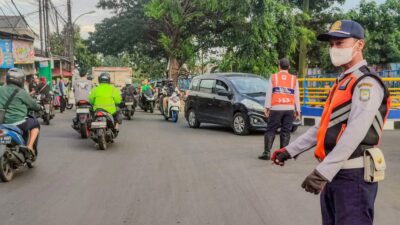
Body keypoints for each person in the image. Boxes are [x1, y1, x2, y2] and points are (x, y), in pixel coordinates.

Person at [271, 20, 390, 225]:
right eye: (331, 44)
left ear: (359, 45)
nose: (334, 49)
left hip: (353, 177)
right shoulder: (343, 81)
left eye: (340, 43)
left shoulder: (366, 82)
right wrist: (289, 150)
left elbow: (355, 132)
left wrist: (322, 173)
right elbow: (322, 126)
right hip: (335, 175)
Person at [258, 58, 301, 160]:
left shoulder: (273, 77)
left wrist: (267, 107)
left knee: (271, 130)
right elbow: (296, 96)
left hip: (276, 108)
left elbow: (269, 94)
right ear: (289, 67)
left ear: (279, 66)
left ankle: (267, 153)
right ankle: (282, 155)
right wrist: (298, 111)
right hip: (289, 109)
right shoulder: (294, 79)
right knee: (286, 131)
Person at [0, 68, 41, 159]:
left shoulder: (1, 89)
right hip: (17, 122)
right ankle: (30, 146)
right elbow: (34, 105)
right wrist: (39, 108)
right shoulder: (21, 92)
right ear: (21, 80)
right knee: (35, 123)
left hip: (2, 122)